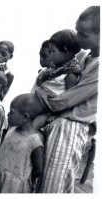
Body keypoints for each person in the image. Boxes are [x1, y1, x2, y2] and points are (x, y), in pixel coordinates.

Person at [35, 6, 100, 193]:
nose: (77, 38)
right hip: (58, 122)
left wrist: (39, 96)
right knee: (53, 183)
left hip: (72, 126)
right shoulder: (81, 55)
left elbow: (65, 100)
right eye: (77, 30)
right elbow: (56, 71)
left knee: (52, 188)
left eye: (84, 34)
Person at [0, 93, 44, 193]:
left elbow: (38, 169)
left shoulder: (34, 141)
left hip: (14, 187)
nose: (8, 115)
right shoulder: (11, 130)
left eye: (11, 112)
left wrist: (23, 178)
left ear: (25, 117)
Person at [31, 30, 82, 131]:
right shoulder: (55, 69)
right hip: (38, 104)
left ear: (65, 51)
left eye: (53, 51)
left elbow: (70, 100)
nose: (51, 55)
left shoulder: (70, 74)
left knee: (31, 128)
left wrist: (54, 114)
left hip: (48, 111)